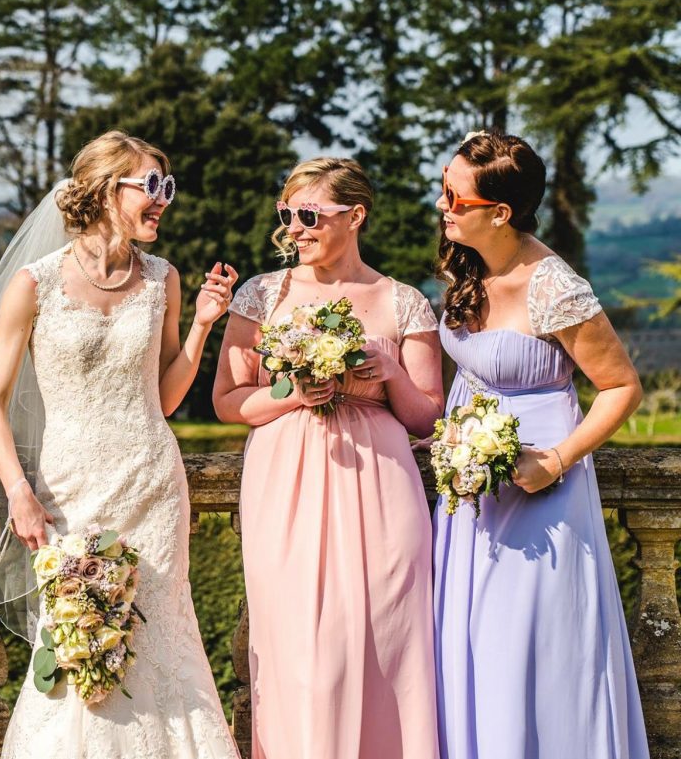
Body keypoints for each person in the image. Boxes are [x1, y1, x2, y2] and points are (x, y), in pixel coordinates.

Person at [0, 130, 241, 758]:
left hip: (152, 483)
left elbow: (163, 399)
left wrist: (200, 328)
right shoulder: (35, 284)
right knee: (76, 635)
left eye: (169, 186)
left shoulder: (164, 278)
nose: (164, 199)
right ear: (108, 189)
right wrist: (20, 494)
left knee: (161, 636)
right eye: (152, 185)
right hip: (69, 491)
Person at [213, 157, 443, 759]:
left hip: (381, 485)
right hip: (286, 482)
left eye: (310, 214)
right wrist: (292, 391)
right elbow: (228, 401)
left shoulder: (405, 302)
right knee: (298, 647)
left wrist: (391, 371)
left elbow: (427, 416)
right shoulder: (262, 295)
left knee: (384, 639)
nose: (295, 227)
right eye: (287, 214)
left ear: (356, 215)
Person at [432, 130, 648, 758]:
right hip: (468, 493)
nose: (443, 205)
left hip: (539, 492)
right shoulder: (466, 261)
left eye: (455, 197)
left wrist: (555, 460)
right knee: (469, 638)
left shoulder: (553, 285)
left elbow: (621, 387)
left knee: (528, 644)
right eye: (443, 189)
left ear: (499, 213)